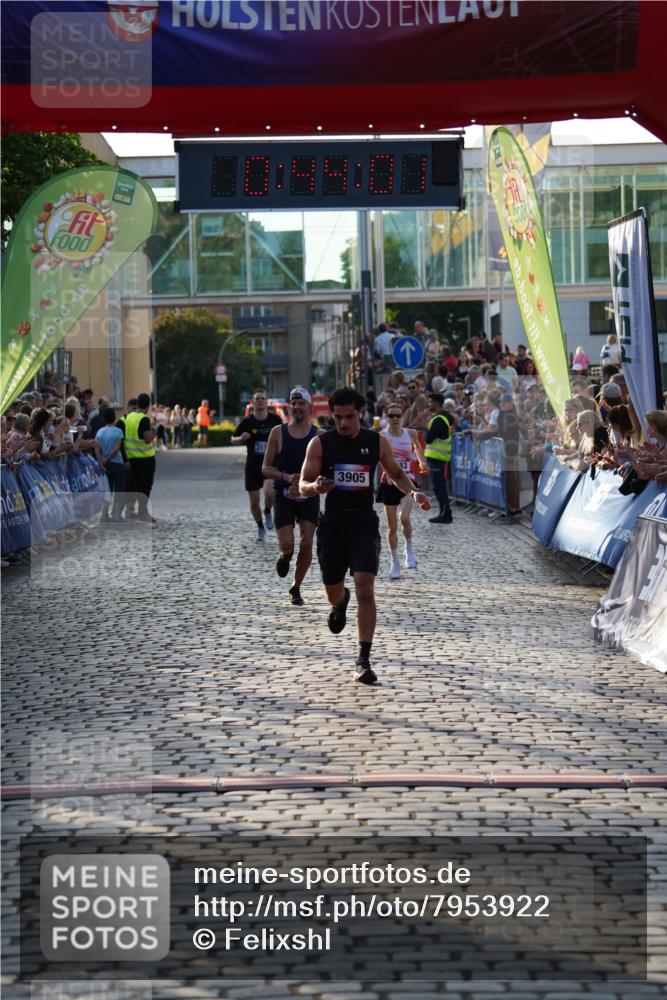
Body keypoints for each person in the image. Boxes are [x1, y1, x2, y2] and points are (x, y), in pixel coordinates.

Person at [299, 386, 430, 685]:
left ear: (360, 414)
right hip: (331, 524)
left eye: (349, 417)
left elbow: (395, 473)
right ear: (332, 416)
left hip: (363, 524)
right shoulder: (321, 444)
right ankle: (339, 601)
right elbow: (303, 484)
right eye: (338, 417)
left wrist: (415, 492)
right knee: (334, 590)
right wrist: (315, 487)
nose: (343, 423)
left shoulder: (375, 441)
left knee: (365, 587)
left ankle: (363, 659)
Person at [262, 387, 320, 606]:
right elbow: (265, 468)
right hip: (285, 495)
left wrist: (312, 483)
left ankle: (296, 587)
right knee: (288, 544)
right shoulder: (278, 432)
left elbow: (327, 467)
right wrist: (286, 477)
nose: (297, 407)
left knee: (307, 543)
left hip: (309, 494)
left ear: (309, 407)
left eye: (301, 403)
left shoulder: (319, 435)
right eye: (293, 403)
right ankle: (285, 556)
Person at [376, 404, 428, 579]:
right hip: (389, 483)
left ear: (403, 416)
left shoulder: (410, 433)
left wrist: (421, 462)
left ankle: (409, 548)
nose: (395, 419)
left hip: (408, 482)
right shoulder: (382, 436)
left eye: (398, 415)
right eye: (391, 416)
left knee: (404, 518)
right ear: (387, 417)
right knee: (392, 527)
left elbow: (418, 447)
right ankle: (394, 561)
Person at [231, 388, 282, 541]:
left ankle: (267, 511)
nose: (260, 401)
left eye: (262, 398)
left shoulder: (275, 420)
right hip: (253, 465)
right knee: (254, 500)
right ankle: (260, 527)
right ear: (253, 402)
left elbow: (284, 436)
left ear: (266, 402)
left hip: (270, 464)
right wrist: (240, 438)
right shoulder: (247, 422)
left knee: (269, 493)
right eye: (257, 399)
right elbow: (232, 439)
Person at [123, 392, 157, 523]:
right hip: (145, 459)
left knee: (133, 486)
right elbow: (148, 439)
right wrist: (154, 432)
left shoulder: (129, 417)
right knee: (145, 487)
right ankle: (143, 513)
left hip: (131, 458)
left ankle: (129, 512)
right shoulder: (144, 419)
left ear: (137, 404)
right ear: (148, 405)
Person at [424, 393, 454, 524]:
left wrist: (426, 429)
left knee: (439, 488)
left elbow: (428, 438)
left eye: (430, 402)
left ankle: (446, 514)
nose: (429, 404)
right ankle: (444, 512)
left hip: (437, 458)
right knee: (439, 487)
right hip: (440, 457)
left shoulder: (438, 419)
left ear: (436, 403)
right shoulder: (444, 417)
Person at [95, 407, 125, 521]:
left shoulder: (100, 432)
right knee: (119, 490)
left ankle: (104, 514)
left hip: (104, 464)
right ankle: (116, 514)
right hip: (117, 463)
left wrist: (101, 462)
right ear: (114, 417)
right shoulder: (118, 431)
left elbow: (97, 449)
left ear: (104, 419)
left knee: (106, 490)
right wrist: (107, 459)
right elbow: (117, 449)